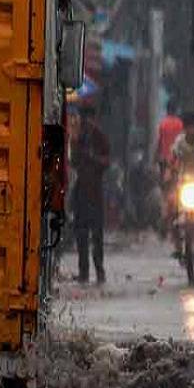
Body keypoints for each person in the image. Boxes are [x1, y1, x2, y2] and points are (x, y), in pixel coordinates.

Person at [71, 102, 110, 284]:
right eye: (83, 119)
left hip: (95, 191)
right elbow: (73, 161)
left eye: (88, 118)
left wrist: (92, 157)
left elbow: (106, 161)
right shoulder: (78, 137)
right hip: (81, 190)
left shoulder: (100, 137)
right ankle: (84, 272)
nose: (86, 122)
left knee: (97, 235)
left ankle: (99, 270)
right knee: (81, 234)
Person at [156, 99, 183, 179]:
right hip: (176, 159)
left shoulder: (163, 124)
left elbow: (160, 142)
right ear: (175, 110)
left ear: (167, 110)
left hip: (165, 160)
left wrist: (157, 156)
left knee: (164, 183)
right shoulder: (180, 123)